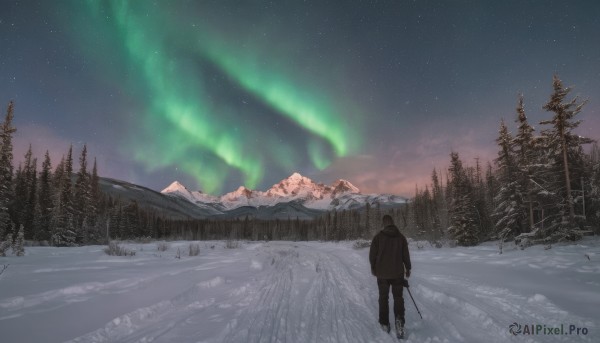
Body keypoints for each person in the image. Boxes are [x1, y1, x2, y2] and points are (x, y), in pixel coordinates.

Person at [369, 214, 411, 338]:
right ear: (392, 223)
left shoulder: (378, 238)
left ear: (384, 224)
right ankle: (399, 322)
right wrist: (408, 268)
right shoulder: (401, 238)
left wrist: (373, 268)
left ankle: (384, 323)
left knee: (383, 298)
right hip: (397, 273)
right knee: (398, 298)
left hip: (382, 274)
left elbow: (372, 255)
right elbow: (405, 255)